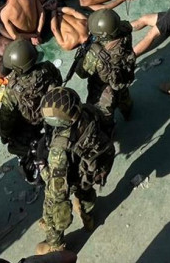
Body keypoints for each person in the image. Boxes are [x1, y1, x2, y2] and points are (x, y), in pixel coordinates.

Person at [34, 87, 116, 255]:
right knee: (85, 193)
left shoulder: (59, 148)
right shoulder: (87, 111)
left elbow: (57, 193)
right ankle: (88, 218)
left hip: (73, 174)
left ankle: (56, 245)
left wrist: (42, 167)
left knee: (51, 208)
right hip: (92, 169)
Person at [0, 40, 62, 182]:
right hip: (54, 112)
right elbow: (59, 81)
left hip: (31, 123)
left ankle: (35, 158)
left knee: (13, 144)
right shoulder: (47, 68)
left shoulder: (12, 90)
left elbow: (6, 117)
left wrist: (5, 134)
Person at [75, 9, 135, 119]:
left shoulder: (95, 54)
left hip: (104, 89)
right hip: (122, 76)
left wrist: (83, 54)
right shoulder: (125, 29)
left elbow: (81, 73)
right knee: (124, 98)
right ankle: (127, 112)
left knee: (102, 114)